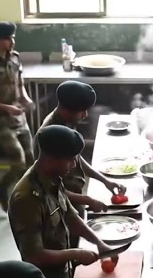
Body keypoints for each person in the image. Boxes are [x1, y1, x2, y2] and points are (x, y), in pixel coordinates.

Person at [8, 125, 119, 278]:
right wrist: (76, 254)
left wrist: (98, 242)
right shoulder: (27, 198)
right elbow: (34, 256)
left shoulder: (52, 179)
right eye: (69, 159)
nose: (73, 165)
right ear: (50, 158)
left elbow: (69, 214)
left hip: (64, 277)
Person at [38, 80, 128, 218]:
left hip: (73, 196)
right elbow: (47, 189)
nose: (85, 115)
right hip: (58, 205)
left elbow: (76, 157)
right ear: (66, 109)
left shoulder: (66, 122)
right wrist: (87, 200)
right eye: (82, 111)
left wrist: (105, 181)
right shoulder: (51, 137)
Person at [0, 21, 35, 211]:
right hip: (1, 120)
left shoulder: (15, 58)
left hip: (20, 118)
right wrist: (8, 108)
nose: (12, 41)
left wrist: (26, 100)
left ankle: (26, 198)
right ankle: (1, 189)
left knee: (30, 160)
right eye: (8, 38)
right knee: (18, 161)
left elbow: (20, 85)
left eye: (13, 37)